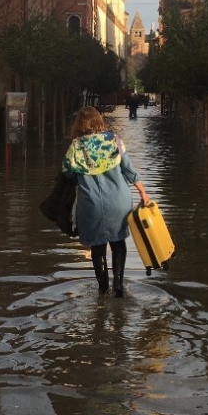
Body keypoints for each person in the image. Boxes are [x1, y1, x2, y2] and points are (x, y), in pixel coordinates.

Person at [62, 106, 149, 297]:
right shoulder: (114, 141)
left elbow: (67, 173)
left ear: (79, 124)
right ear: (99, 121)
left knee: (97, 246)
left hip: (90, 204)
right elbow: (129, 169)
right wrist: (143, 192)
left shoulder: (76, 147)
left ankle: (102, 288)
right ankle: (118, 287)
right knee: (118, 243)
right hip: (119, 201)